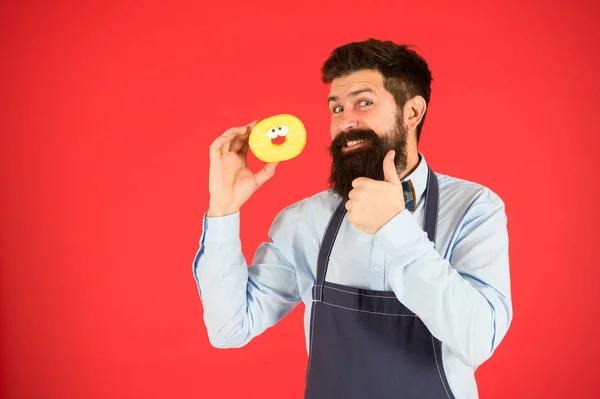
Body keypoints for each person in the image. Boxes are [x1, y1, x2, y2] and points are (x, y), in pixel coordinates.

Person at [192, 38, 512, 399]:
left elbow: (478, 340)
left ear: (412, 113)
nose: (346, 122)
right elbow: (229, 329)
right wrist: (223, 209)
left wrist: (395, 228)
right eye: (337, 109)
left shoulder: (473, 209)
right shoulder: (304, 221)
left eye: (364, 103)